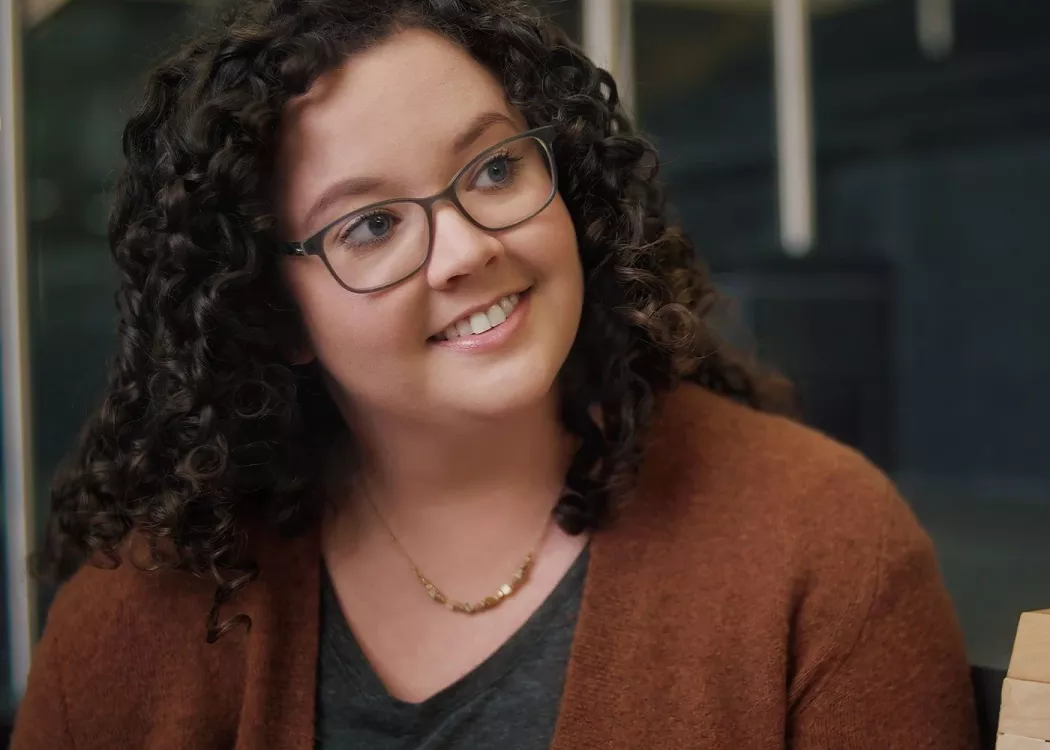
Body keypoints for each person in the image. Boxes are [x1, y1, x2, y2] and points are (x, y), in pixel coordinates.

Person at [12, 0, 978, 747]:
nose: (466, 250)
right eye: (372, 225)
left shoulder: (826, 547)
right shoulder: (142, 608)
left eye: (492, 171)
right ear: (273, 310)